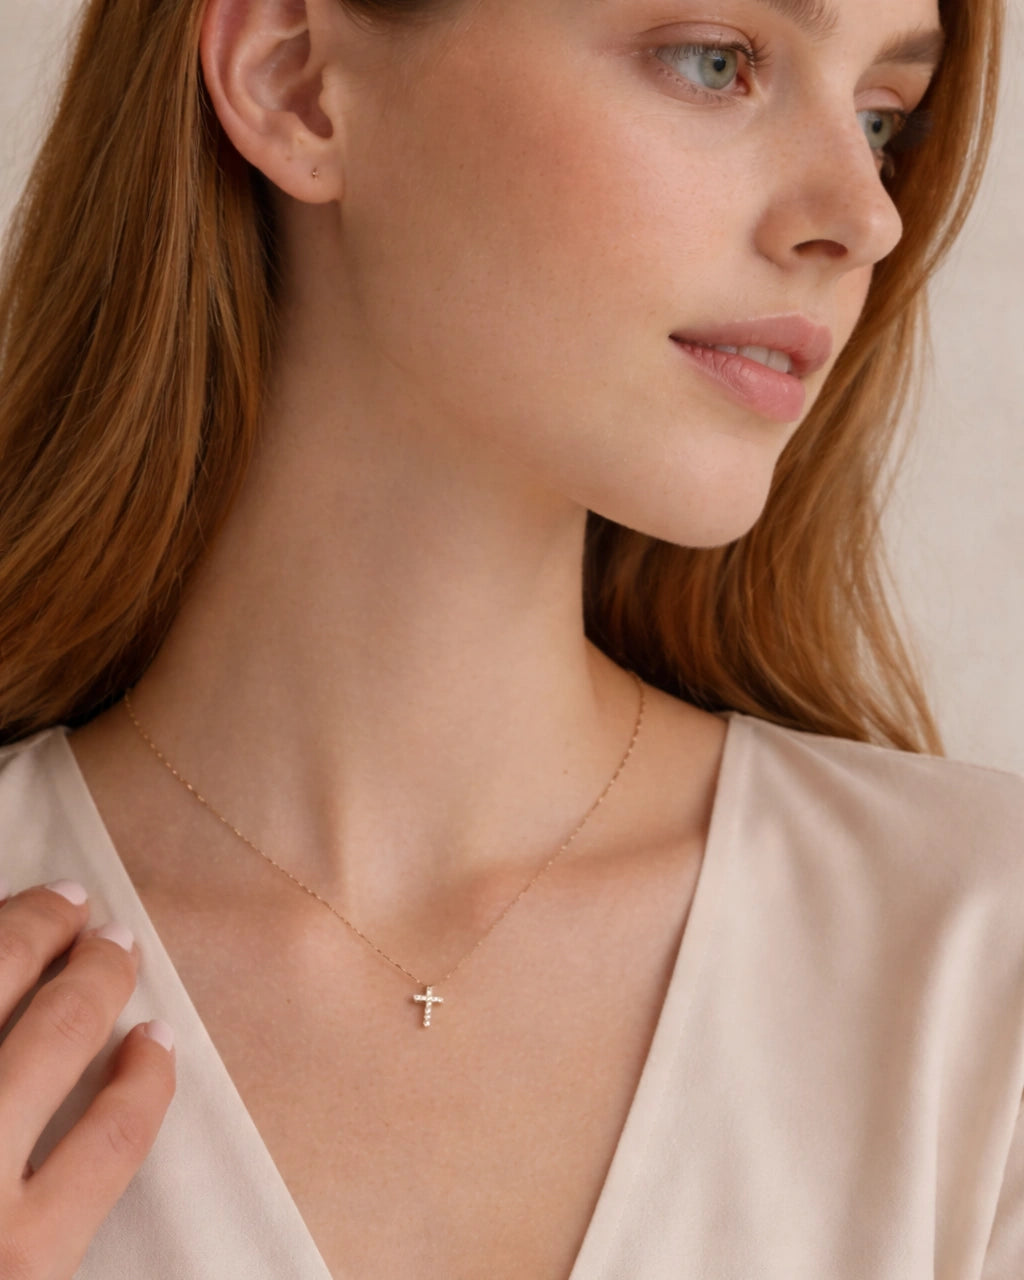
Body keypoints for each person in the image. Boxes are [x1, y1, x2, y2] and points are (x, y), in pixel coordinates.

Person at [0, 0, 1020, 1273]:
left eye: (881, 122)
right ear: (297, 81)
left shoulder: (978, 964)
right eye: (718, 63)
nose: (865, 215)